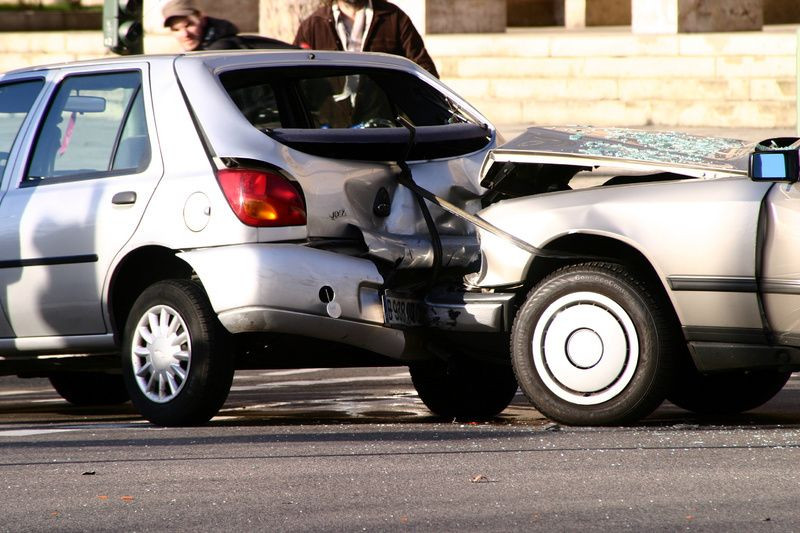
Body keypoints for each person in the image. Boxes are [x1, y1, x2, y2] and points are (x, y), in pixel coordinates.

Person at [294, 0, 438, 77]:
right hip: (329, 127)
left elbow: (425, 72)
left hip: (386, 126)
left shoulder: (394, 18)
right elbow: (294, 73)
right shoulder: (313, 26)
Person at [162, 0, 293, 51]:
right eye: (176, 29)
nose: (185, 34)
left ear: (202, 19)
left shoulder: (219, 49)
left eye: (189, 25)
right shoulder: (200, 50)